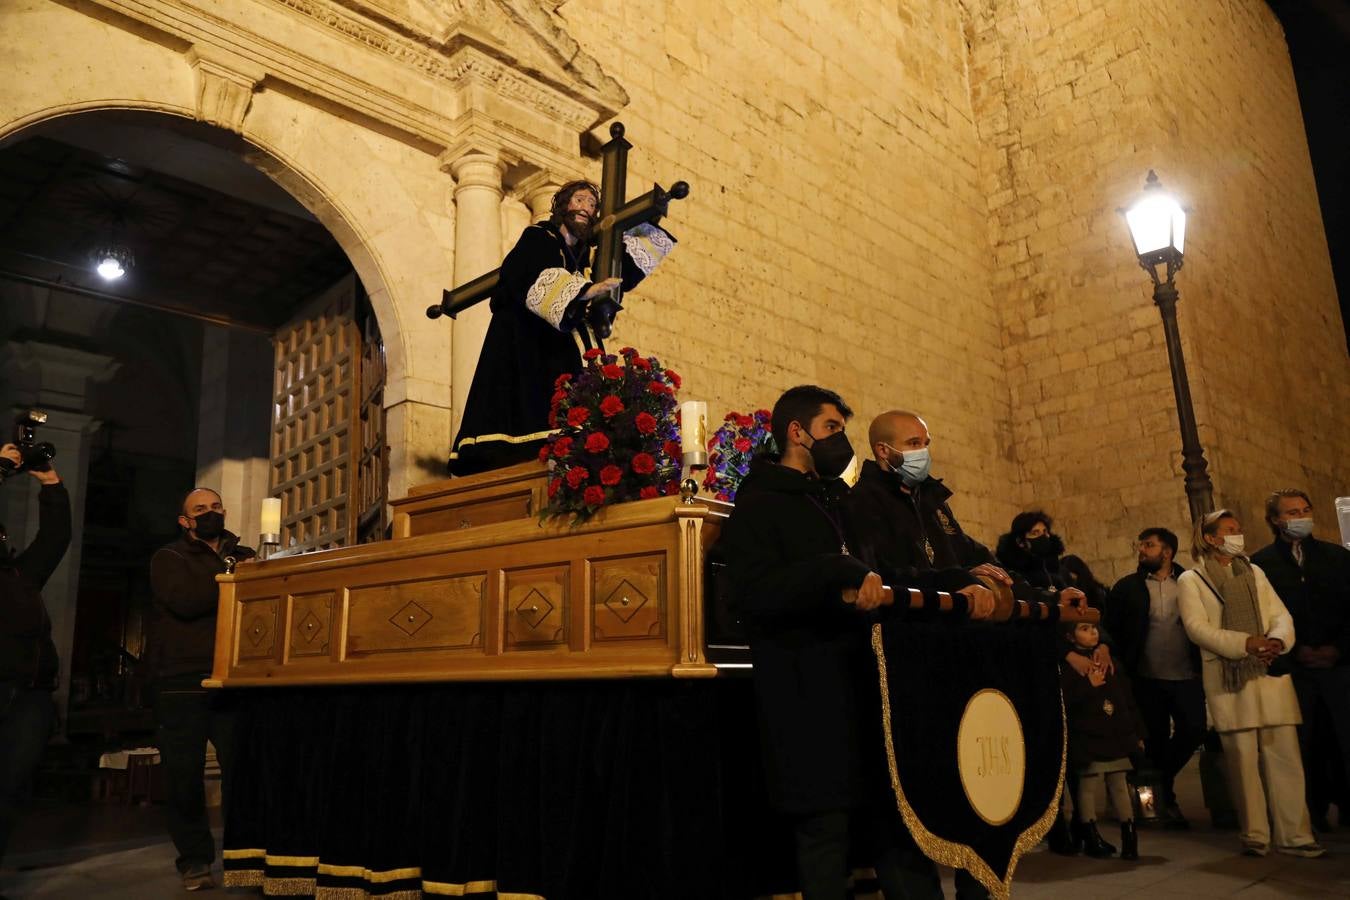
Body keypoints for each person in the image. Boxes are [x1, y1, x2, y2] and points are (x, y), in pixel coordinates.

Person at [718, 386, 992, 900]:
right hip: (805, 694)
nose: (842, 443)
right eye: (832, 430)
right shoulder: (759, 503)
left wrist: (957, 579)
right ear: (796, 433)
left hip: (864, 689)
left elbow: (887, 576)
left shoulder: (839, 503)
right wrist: (833, 572)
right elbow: (752, 595)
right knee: (825, 832)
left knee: (892, 818)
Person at [449, 180, 676, 475]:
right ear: (563, 206)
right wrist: (584, 291)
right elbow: (530, 274)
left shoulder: (585, 257)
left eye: (592, 205)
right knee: (526, 403)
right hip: (526, 338)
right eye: (579, 200)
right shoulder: (538, 236)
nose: (586, 208)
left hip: (563, 341)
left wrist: (649, 216)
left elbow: (620, 268)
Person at [1177, 509, 1323, 858]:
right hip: (1231, 676)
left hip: (1268, 672)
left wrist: (1275, 641)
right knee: (1242, 761)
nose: (1237, 534)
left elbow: (1279, 613)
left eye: (1238, 529)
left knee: (1285, 757)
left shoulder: (1253, 571)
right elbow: (1197, 628)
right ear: (1211, 538)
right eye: (1229, 530)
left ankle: (1295, 834)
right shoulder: (1192, 581)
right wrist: (1245, 643)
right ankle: (1256, 833)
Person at [149, 488, 256, 891]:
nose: (210, 513)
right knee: (183, 776)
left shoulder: (244, 555)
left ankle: (242, 856)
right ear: (185, 521)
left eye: (215, 507)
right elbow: (186, 601)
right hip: (182, 680)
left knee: (241, 773)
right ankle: (194, 860)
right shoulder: (169, 558)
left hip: (233, 677)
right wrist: (234, 577)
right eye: (200, 510)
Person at [1251, 489, 1350, 832]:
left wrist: (1338, 648)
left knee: (1343, 738)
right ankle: (1314, 808)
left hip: (1339, 666)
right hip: (1295, 668)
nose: (1301, 516)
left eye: (1305, 510)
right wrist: (1296, 651)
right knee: (1307, 742)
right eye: (1292, 512)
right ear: (1276, 520)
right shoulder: (1261, 565)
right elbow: (1265, 616)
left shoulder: (1337, 558)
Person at [1104, 527, 1204, 828]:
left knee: (1194, 729)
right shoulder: (1127, 588)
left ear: (1167, 552)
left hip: (1186, 674)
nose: (1142, 550)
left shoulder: (1191, 582)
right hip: (1146, 678)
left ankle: (1159, 778)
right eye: (1141, 544)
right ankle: (1165, 802)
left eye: (1149, 545)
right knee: (1155, 738)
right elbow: (1112, 629)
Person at [0, 444, 67, 878]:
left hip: (27, 697)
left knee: (9, 791)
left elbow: (56, 538)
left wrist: (49, 483)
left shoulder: (20, 575)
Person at [1059, 620, 1145, 860]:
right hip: (1088, 734)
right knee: (1087, 786)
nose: (1092, 633)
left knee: (1119, 782)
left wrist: (1136, 732)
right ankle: (1091, 835)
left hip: (1114, 733)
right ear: (1070, 637)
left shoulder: (1109, 662)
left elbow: (1125, 700)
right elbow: (1066, 701)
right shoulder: (1070, 667)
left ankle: (1130, 836)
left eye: (1094, 628)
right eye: (1084, 629)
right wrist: (1088, 685)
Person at [995, 511, 1068, 592]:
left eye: (1045, 531)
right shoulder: (1013, 574)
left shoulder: (1056, 568)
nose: (1043, 537)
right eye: (1035, 533)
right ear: (1020, 542)